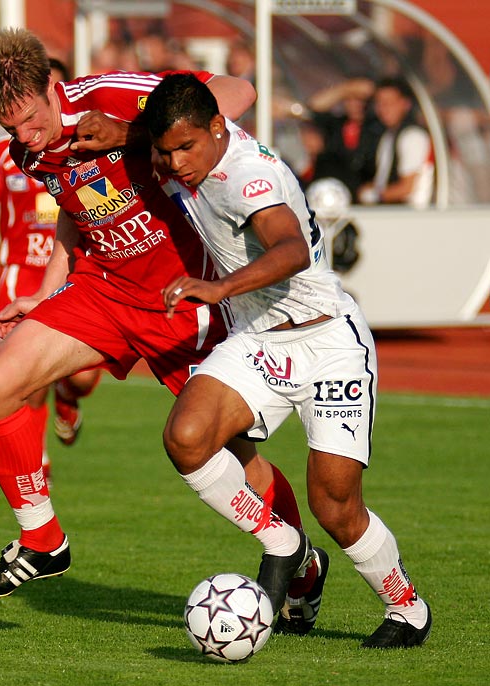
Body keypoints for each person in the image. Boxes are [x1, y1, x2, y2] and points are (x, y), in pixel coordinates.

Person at [0, 28, 316, 613]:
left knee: (229, 453)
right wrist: (43, 295)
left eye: (30, 118)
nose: (25, 136)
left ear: (53, 88)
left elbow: (237, 91)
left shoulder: (112, 93)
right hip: (103, 290)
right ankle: (44, 542)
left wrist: (133, 132)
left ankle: (300, 561)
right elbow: (76, 213)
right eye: (9, 127)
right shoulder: (27, 148)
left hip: (186, 299)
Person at [143, 72, 432, 649]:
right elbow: (222, 95)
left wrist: (217, 290)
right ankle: (284, 545)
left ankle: (406, 607)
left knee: (335, 505)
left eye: (185, 148)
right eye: (165, 150)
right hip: (260, 340)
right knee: (188, 436)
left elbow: (292, 249)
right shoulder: (190, 141)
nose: (174, 163)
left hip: (328, 345)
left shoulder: (247, 179)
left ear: (217, 129)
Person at [0, 59, 102, 478]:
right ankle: (37, 462)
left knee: (82, 380)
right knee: (23, 377)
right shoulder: (5, 155)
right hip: (21, 275)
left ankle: (68, 397)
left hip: (78, 277)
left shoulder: (88, 143)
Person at [357, 77, 434, 208]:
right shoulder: (387, 136)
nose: (384, 108)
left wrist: (373, 195)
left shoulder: (413, 136)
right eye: (379, 103)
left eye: (390, 103)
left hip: (411, 214)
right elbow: (381, 181)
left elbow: (406, 189)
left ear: (406, 104)